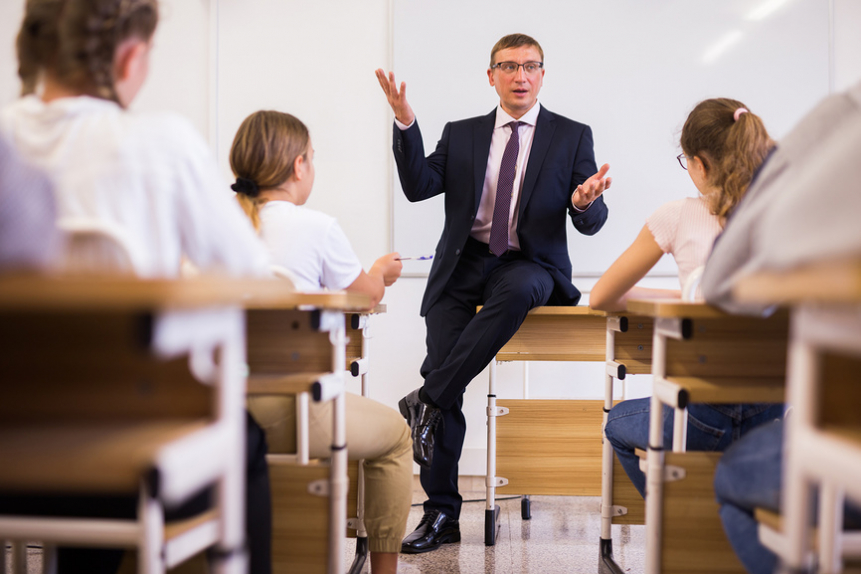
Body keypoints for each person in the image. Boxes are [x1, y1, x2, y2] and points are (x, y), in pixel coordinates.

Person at [0, 1, 273, 572]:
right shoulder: (161, 142)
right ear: (128, 57)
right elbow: (249, 274)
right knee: (239, 438)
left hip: (13, 452)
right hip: (128, 455)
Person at [375, 33, 612, 552]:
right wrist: (406, 123)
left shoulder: (571, 135)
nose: (519, 76)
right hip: (462, 266)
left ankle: (425, 399)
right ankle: (442, 513)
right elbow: (418, 186)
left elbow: (591, 219)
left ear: (542, 75)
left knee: (519, 288)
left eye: (530, 66)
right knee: (447, 370)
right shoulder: (461, 134)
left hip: (529, 264)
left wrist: (583, 201)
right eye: (508, 66)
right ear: (491, 76)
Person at [229, 109, 412, 574]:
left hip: (219, 411)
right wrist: (380, 271)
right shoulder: (315, 227)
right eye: (312, 157)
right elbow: (366, 296)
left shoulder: (212, 226)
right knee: (396, 436)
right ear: (298, 166)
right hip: (294, 414)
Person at [702, 80, 861, 574]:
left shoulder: (842, 117)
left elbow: (720, 282)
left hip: (844, 447)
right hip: (788, 407)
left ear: (700, 165)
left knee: (733, 469)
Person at [596, 98, 784, 498]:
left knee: (616, 423)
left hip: (699, 419)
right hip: (775, 418)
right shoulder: (787, 215)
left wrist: (690, 296)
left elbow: (603, 296)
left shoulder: (677, 215)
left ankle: (681, 522)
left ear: (700, 164)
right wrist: (691, 294)